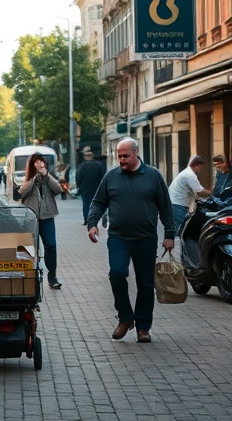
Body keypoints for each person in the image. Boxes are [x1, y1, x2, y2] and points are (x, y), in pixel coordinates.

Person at [87, 137, 175, 344]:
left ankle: (143, 327)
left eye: (125, 156)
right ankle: (125, 317)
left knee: (145, 283)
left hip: (146, 238)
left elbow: (165, 207)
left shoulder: (153, 176)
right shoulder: (111, 176)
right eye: (119, 156)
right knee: (117, 273)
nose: (121, 160)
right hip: (118, 237)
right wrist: (92, 223)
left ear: (136, 153)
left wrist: (169, 235)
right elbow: (98, 202)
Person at [18, 152, 63, 289]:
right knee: (31, 247)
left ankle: (52, 276)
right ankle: (30, 274)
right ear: (32, 165)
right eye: (37, 162)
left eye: (41, 161)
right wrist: (33, 179)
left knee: (51, 245)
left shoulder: (48, 178)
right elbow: (21, 193)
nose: (40, 164)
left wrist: (46, 175)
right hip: (31, 218)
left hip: (47, 217)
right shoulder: (27, 179)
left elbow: (58, 189)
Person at [168, 155, 212, 229]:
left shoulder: (188, 172)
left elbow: (195, 193)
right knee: (180, 228)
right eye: (200, 167)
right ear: (196, 166)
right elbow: (200, 192)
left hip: (177, 204)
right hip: (178, 205)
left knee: (180, 228)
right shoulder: (189, 175)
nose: (200, 170)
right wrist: (212, 192)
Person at [76, 146, 106, 226]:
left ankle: (86, 220)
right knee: (98, 204)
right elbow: (102, 177)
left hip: (85, 189)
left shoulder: (82, 166)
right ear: (92, 156)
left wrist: (78, 186)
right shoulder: (99, 165)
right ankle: (100, 218)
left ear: (86, 157)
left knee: (86, 205)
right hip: (96, 188)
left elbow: (79, 178)